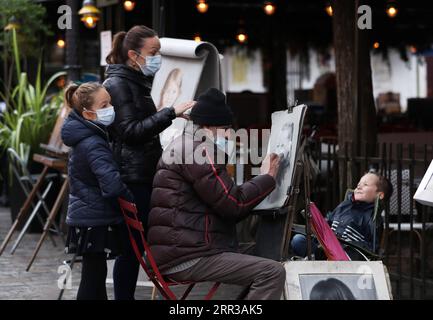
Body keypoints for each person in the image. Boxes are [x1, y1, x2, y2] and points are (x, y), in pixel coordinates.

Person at [148, 88, 286, 300]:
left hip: (178, 249)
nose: (229, 134)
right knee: (272, 271)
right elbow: (233, 204)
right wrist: (267, 177)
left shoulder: (184, 144)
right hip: (187, 256)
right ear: (207, 127)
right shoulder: (198, 152)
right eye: (225, 128)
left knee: (265, 251)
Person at [103, 25, 194, 300]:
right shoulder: (118, 84)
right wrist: (170, 112)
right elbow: (130, 131)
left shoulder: (134, 81)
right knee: (130, 250)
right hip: (132, 177)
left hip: (142, 173)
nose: (157, 58)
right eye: (153, 53)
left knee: (135, 249)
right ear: (133, 55)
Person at [61, 82, 134, 300]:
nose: (111, 108)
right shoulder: (93, 142)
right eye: (105, 104)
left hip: (88, 216)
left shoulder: (89, 137)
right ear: (89, 114)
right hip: (94, 218)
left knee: (95, 273)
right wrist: (131, 201)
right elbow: (111, 185)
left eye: (110, 102)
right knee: (93, 276)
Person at [291, 171, 393, 259]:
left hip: (347, 256)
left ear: (380, 195)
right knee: (298, 240)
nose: (359, 186)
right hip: (325, 251)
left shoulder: (373, 217)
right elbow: (327, 225)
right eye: (359, 183)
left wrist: (345, 244)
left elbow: (372, 249)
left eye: (365, 185)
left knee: (352, 255)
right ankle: (321, 261)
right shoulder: (344, 206)